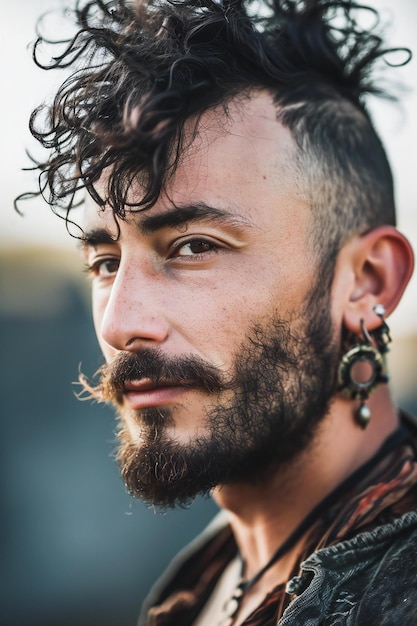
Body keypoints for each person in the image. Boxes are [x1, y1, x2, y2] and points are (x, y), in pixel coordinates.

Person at [24, 0, 417, 623]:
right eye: (105, 262)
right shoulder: (199, 592)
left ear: (368, 281)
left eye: (194, 247)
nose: (120, 325)